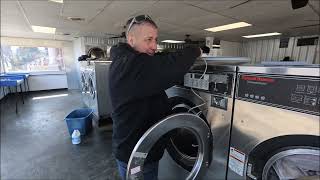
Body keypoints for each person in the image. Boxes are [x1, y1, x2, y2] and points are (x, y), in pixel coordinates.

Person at [108, 15, 207, 180]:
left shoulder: (128, 60)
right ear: (131, 39)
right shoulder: (130, 66)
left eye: (155, 39)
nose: (154, 46)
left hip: (143, 148)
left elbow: (162, 60)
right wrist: (196, 50)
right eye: (148, 39)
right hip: (137, 154)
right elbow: (170, 66)